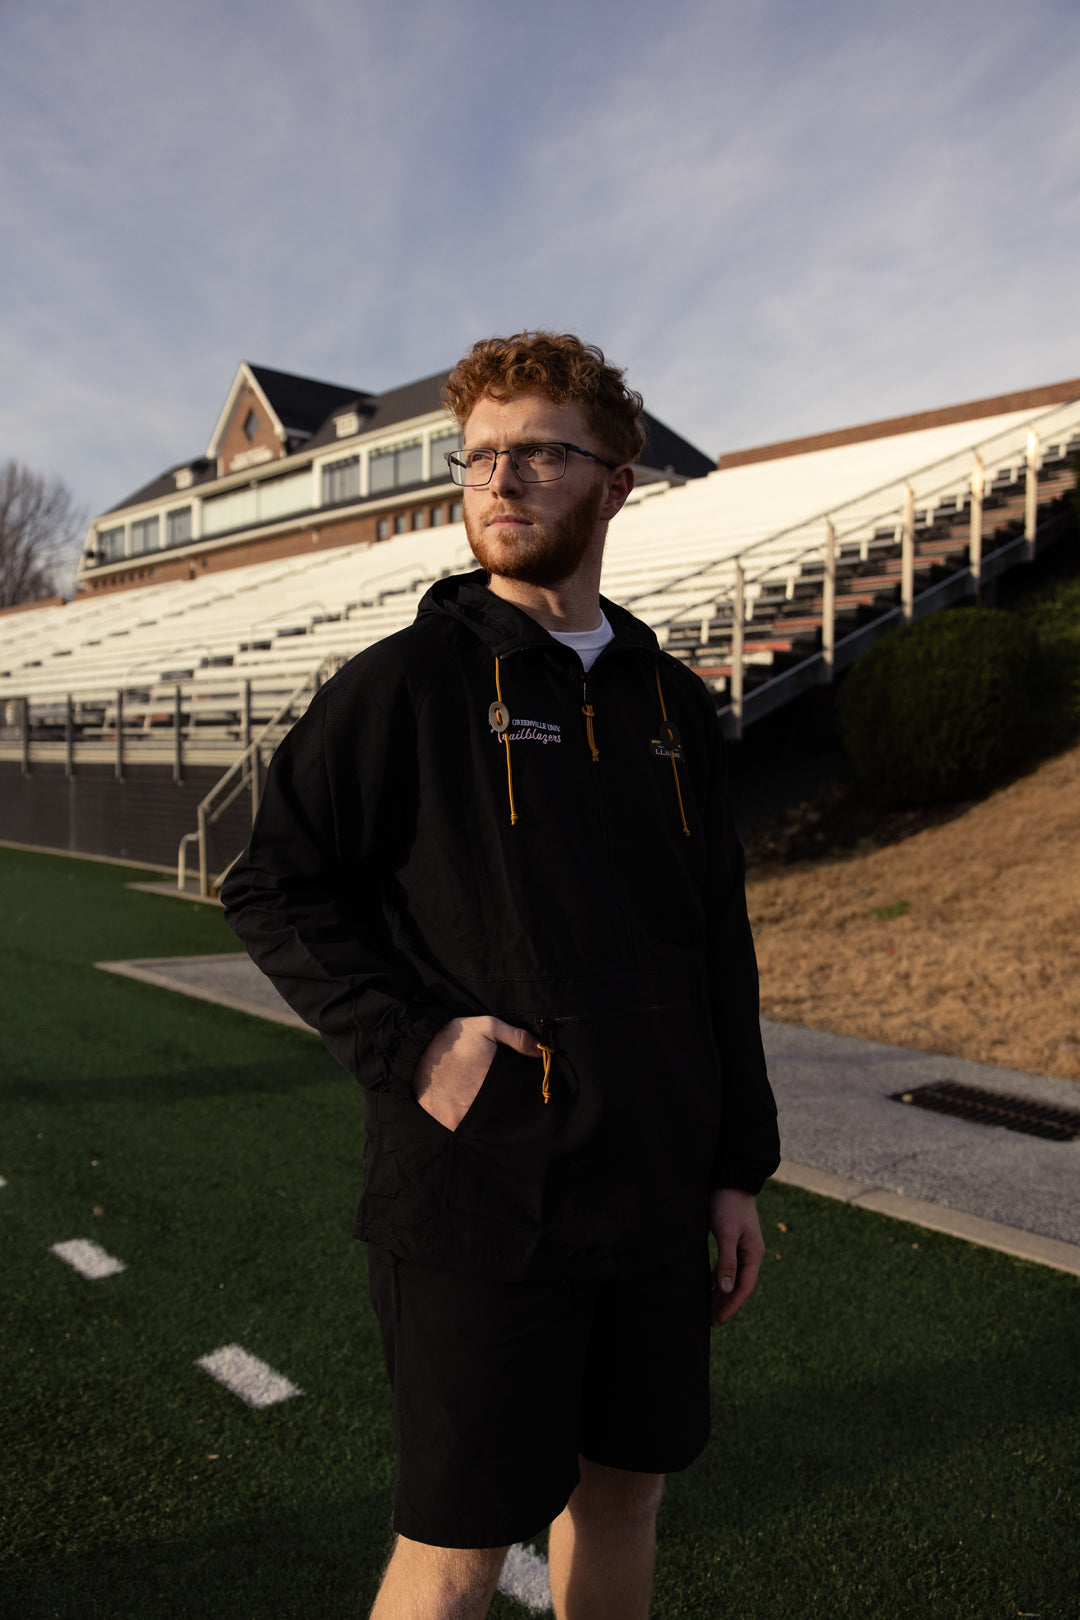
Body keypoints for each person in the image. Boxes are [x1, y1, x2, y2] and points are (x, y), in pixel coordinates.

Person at [221, 331, 780, 1620]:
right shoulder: (408, 684)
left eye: (539, 452)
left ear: (617, 479)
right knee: (460, 1549)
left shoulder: (673, 709)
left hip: (650, 1196)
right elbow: (273, 884)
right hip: (480, 1197)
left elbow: (719, 946)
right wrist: (417, 1046)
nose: (499, 480)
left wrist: (734, 1166)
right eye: (478, 456)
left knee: (625, 1496)